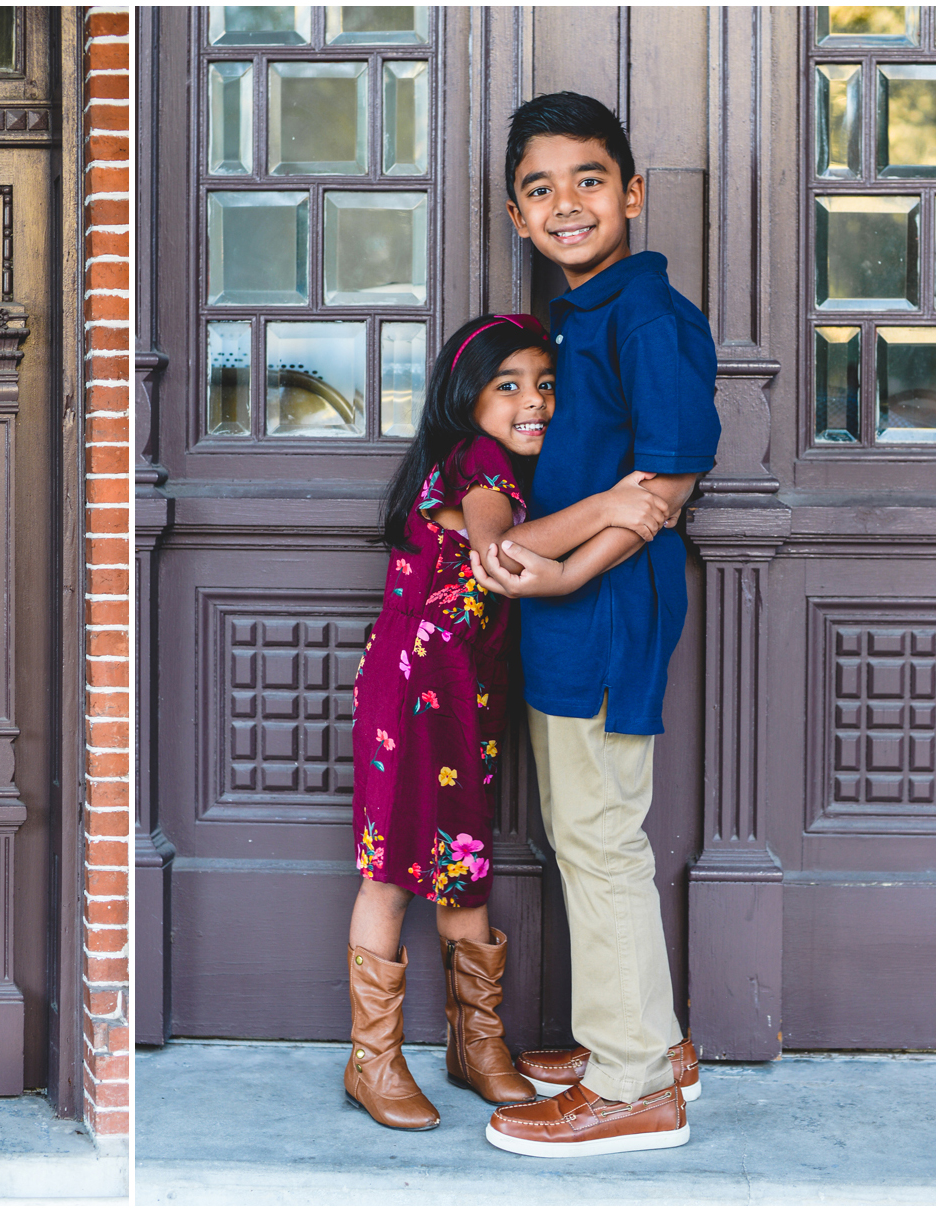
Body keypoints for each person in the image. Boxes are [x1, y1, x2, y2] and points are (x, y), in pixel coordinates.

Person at [468, 91, 721, 1157]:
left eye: (587, 180)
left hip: (607, 608)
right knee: (581, 830)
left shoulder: (649, 315)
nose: (565, 203)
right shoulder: (580, 317)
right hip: (570, 604)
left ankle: (631, 1089)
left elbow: (666, 484)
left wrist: (566, 573)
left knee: (601, 839)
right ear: (517, 218)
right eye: (540, 188)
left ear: (633, 193)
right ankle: (651, 1046)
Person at [346, 312, 673, 1131]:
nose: (536, 402)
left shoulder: (492, 460)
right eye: (510, 386)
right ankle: (372, 1059)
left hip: (461, 691)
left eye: (546, 384)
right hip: (417, 687)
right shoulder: (477, 459)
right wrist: (611, 506)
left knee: (463, 859)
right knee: (390, 871)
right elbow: (504, 556)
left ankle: (476, 1045)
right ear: (467, 397)